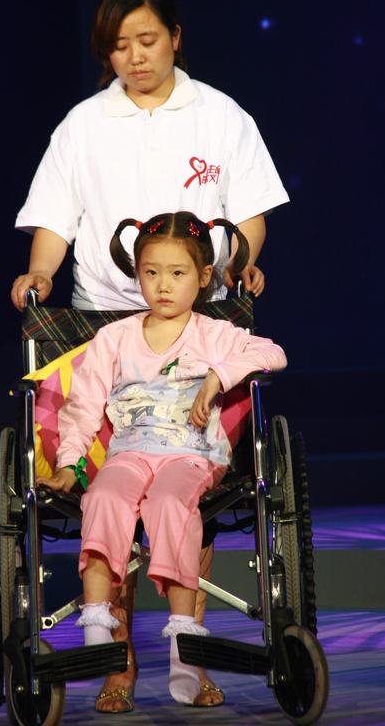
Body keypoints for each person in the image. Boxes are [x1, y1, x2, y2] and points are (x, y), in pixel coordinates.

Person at [11, 0, 290, 711]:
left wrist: (238, 263)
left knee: (183, 485)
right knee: (112, 489)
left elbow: (250, 212)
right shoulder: (83, 125)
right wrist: (40, 273)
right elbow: (55, 217)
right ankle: (117, 663)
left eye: (147, 40)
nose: (133, 56)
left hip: (205, 317)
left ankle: (188, 657)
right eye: (118, 46)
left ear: (175, 38)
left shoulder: (220, 116)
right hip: (106, 321)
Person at [38, 212, 287, 712]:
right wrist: (70, 463)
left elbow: (273, 353)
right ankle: (97, 626)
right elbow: (82, 407)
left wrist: (218, 377)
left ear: (203, 277)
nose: (164, 285)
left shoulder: (214, 333)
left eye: (178, 274)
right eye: (151, 273)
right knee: (103, 496)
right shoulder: (114, 338)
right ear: (137, 274)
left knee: (172, 503)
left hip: (191, 455)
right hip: (130, 451)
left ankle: (184, 646)